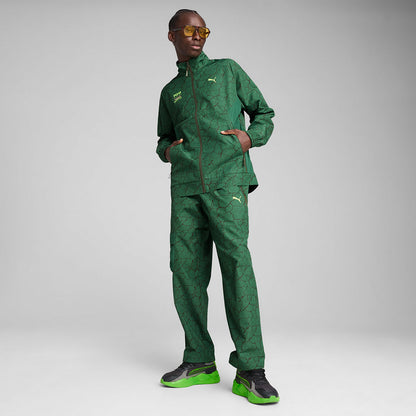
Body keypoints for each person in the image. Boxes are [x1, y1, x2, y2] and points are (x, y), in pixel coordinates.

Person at [156, 9, 279, 405]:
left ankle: (251, 369)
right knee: (185, 270)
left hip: (227, 181)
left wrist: (249, 138)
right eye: (189, 30)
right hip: (186, 187)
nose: (197, 36)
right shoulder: (170, 92)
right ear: (172, 36)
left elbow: (264, 114)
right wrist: (168, 152)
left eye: (203, 30)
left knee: (236, 266)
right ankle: (199, 360)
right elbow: (162, 139)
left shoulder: (227, 70)